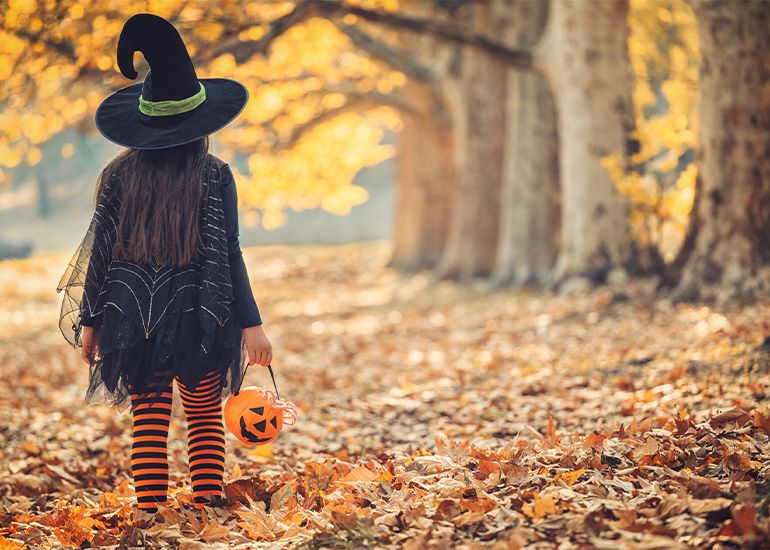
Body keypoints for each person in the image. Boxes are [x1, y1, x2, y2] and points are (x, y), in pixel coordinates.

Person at [56, 13, 272, 513]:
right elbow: (230, 252)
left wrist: (92, 322)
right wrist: (251, 325)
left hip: (130, 313)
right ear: (202, 124)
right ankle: (206, 504)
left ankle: (150, 512)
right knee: (202, 417)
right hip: (199, 311)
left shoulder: (119, 175)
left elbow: (101, 255)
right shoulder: (214, 173)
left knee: (149, 419)